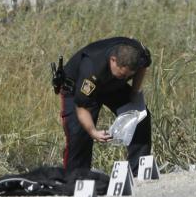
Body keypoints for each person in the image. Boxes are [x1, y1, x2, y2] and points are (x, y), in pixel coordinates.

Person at [58, 37, 152, 176]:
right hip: (77, 90)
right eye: (122, 74)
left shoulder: (139, 55)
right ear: (113, 60)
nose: (124, 77)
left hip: (111, 86)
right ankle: (75, 177)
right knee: (79, 133)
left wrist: (134, 91)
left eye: (128, 76)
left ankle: (138, 171)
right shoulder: (91, 68)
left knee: (139, 117)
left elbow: (143, 67)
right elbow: (81, 106)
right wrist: (93, 132)